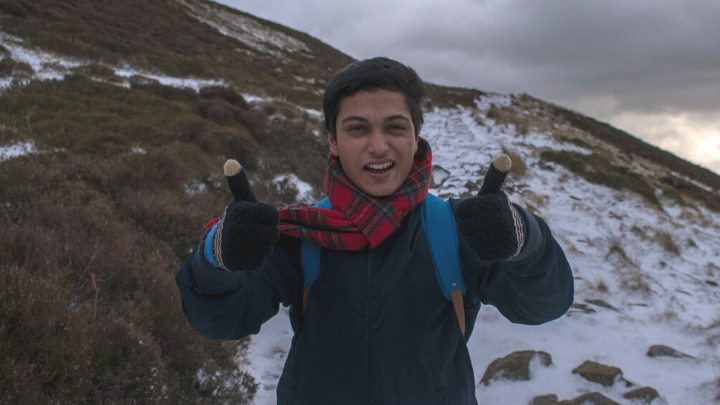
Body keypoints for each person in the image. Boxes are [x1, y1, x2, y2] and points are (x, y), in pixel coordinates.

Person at [176, 57, 574, 405]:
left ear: (416, 136)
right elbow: (220, 321)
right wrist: (216, 258)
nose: (379, 145)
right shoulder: (300, 235)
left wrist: (526, 241)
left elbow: (543, 305)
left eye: (395, 127)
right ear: (333, 141)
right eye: (358, 129)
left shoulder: (456, 230)